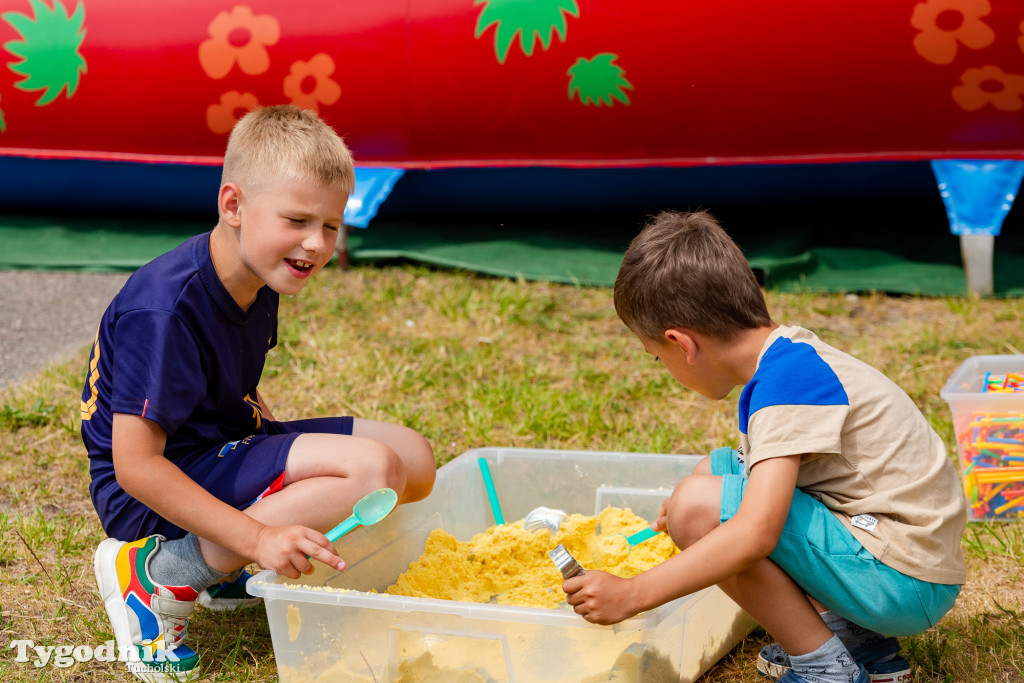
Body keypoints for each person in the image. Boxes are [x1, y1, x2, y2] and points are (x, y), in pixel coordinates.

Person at [81, 105, 436, 682]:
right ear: (233, 205)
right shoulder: (164, 309)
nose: (317, 244)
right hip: (149, 496)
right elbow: (134, 467)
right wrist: (259, 535)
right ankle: (165, 573)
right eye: (297, 220)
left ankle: (231, 571)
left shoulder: (257, 273)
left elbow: (230, 385)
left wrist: (275, 449)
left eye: (330, 225)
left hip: (216, 447)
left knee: (414, 462)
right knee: (370, 472)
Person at [562, 211, 965, 683]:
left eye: (658, 359)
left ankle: (825, 669)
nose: (664, 367)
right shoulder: (786, 355)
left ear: (681, 343)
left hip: (904, 579)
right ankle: (858, 641)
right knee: (705, 477)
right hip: (902, 561)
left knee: (699, 508)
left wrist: (633, 593)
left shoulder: (786, 383)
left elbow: (755, 534)